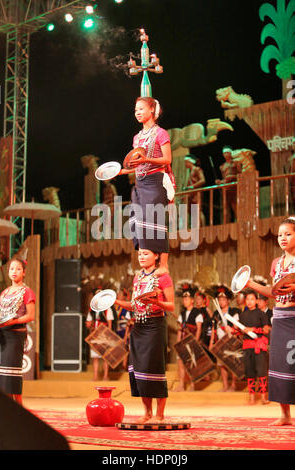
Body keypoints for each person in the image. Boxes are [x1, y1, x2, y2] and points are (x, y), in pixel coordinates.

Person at [114, 248, 175, 423]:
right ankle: (147, 412)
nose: (141, 257)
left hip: (155, 326)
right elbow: (134, 305)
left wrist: (156, 301)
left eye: (146, 254)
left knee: (154, 367)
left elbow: (171, 306)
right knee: (139, 369)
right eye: (140, 254)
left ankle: (159, 414)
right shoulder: (137, 277)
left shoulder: (163, 277)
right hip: (139, 326)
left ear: (156, 256)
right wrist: (116, 302)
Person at [246, 216, 295, 424]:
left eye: (288, 234)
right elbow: (273, 292)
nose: (283, 238)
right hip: (280, 318)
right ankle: (284, 415)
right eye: (280, 235)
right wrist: (249, 283)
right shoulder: (277, 263)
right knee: (279, 366)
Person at [120, 97, 175, 276]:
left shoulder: (161, 133)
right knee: (139, 225)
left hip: (155, 182)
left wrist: (147, 159)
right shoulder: (137, 138)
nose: (137, 112)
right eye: (136, 109)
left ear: (152, 110)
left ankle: (164, 264)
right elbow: (137, 165)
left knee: (157, 222)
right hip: (140, 183)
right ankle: (147, 266)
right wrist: (120, 172)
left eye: (141, 109)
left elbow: (167, 159)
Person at [0, 258, 35, 405]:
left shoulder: (27, 292)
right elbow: (0, 315)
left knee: (11, 376)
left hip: (15, 335)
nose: (14, 271)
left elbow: (30, 316)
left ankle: (19, 411)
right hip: (0, 336)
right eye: (12, 268)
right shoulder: (4, 292)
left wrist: (12, 322)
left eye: (18, 269)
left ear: (24, 272)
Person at [234, 290, 269, 405]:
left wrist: (253, 329)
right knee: (249, 372)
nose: (249, 302)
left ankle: (264, 397)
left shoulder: (261, 314)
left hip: (259, 345)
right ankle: (252, 398)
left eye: (252, 299)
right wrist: (236, 330)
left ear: (257, 301)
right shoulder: (242, 315)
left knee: (262, 371)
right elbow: (241, 332)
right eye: (247, 299)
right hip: (247, 346)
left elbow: (266, 330)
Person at [209, 285, 240, 392]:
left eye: (223, 299)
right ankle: (225, 385)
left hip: (231, 340)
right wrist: (211, 342)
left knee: (232, 363)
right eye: (219, 299)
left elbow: (236, 328)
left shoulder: (234, 311)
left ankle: (233, 385)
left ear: (228, 300)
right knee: (222, 364)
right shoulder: (216, 313)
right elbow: (213, 329)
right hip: (220, 342)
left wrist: (230, 331)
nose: (221, 301)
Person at [175, 289, 203, 391]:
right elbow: (179, 330)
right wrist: (178, 343)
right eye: (184, 299)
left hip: (191, 342)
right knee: (181, 363)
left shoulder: (197, 313)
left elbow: (199, 329)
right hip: (182, 342)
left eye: (187, 299)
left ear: (192, 300)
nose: (185, 301)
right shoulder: (182, 314)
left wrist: (195, 341)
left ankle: (192, 385)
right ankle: (181, 385)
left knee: (191, 364)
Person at [85, 299, 113, 381]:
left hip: (104, 335)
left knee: (105, 357)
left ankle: (105, 376)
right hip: (94, 335)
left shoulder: (107, 309)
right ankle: (95, 376)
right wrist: (88, 325)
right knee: (95, 357)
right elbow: (89, 323)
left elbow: (110, 323)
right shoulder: (91, 310)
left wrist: (109, 335)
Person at [215, 146, 242, 222]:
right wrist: (220, 182)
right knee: (225, 208)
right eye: (224, 153)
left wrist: (233, 176)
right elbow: (224, 179)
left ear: (231, 153)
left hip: (234, 188)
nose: (226, 154)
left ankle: (238, 222)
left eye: (227, 152)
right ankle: (226, 224)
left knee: (235, 206)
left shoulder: (236, 163)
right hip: (226, 189)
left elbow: (241, 175)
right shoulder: (222, 166)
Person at [183, 155, 206, 226]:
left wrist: (193, 186)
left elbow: (202, 180)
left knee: (198, 210)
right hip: (191, 194)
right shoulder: (190, 172)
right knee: (192, 211)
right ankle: (197, 226)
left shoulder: (197, 169)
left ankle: (203, 227)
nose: (185, 164)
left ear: (189, 162)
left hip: (196, 193)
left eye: (186, 162)